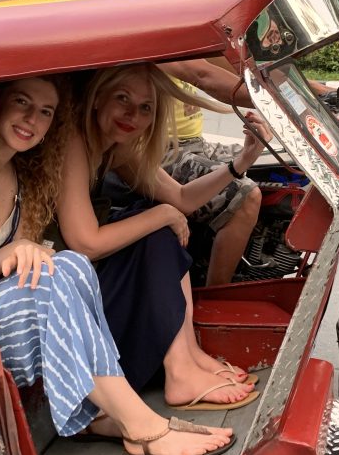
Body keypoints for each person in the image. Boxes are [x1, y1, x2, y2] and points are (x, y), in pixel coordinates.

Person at [0, 75, 234, 455]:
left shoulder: (23, 176)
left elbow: (42, 252)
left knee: (71, 264)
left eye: (45, 112)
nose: (32, 118)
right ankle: (141, 427)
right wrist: (5, 254)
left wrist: (27, 250)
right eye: (22, 103)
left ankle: (109, 413)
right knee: (55, 274)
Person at [57, 63, 271, 411]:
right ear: (96, 99)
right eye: (122, 99)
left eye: (145, 108)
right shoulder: (74, 143)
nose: (132, 114)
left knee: (160, 228)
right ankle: (181, 372)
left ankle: (190, 356)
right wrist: (162, 215)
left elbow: (182, 198)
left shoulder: (115, 147)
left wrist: (243, 161)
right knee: (155, 223)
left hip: (83, 281)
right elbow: (86, 243)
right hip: (64, 297)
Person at [156, 0, 332, 286]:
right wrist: (276, 101)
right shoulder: (153, 16)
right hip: (154, 154)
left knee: (287, 174)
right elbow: (203, 75)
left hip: (190, 145)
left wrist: (319, 92)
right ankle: (217, 301)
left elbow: (245, 65)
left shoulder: (195, 18)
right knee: (246, 196)